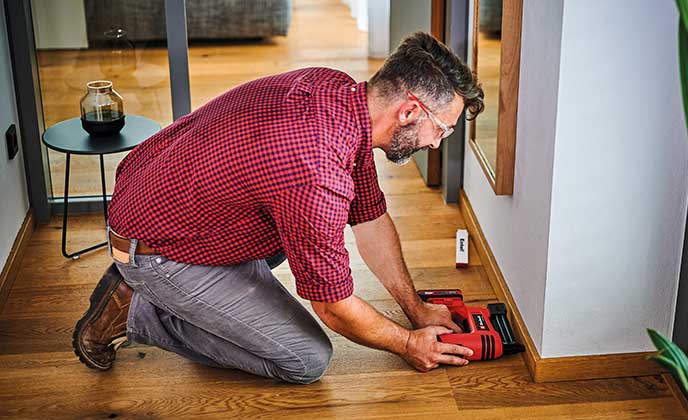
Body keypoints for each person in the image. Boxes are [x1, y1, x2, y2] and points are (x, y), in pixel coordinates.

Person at [72, 32, 484, 384]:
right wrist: (408, 343)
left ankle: (171, 289)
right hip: (155, 249)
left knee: (300, 229)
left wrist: (415, 309)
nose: (435, 142)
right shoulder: (316, 168)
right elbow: (334, 309)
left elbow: (370, 217)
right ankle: (136, 309)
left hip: (161, 200)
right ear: (410, 110)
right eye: (442, 128)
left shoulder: (339, 91)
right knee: (305, 359)